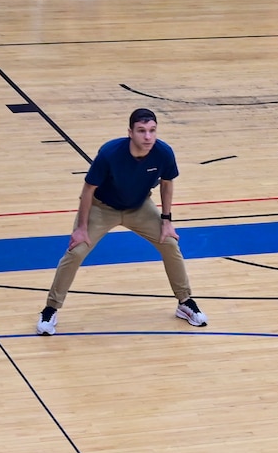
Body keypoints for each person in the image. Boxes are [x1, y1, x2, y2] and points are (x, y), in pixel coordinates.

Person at [38, 109, 205, 334]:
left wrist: (166, 220)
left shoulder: (163, 153)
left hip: (139, 207)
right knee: (76, 252)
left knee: (170, 244)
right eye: (142, 131)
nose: (148, 137)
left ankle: (185, 302)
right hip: (101, 207)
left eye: (152, 131)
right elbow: (88, 190)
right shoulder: (110, 153)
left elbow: (167, 184)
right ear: (130, 132)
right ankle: (50, 309)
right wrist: (81, 228)